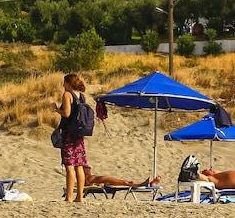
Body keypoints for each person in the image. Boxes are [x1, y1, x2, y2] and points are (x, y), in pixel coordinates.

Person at [54, 73, 88, 203]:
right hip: (79, 134)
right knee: (79, 165)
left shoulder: (67, 95)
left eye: (64, 83)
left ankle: (69, 196)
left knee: (69, 165)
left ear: (69, 83)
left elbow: (67, 113)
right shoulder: (81, 96)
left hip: (69, 133)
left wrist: (57, 110)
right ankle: (79, 196)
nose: (63, 85)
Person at [84, 166, 160, 189]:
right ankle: (137, 184)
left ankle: (136, 184)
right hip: (86, 180)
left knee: (106, 179)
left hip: (88, 179)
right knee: (105, 178)